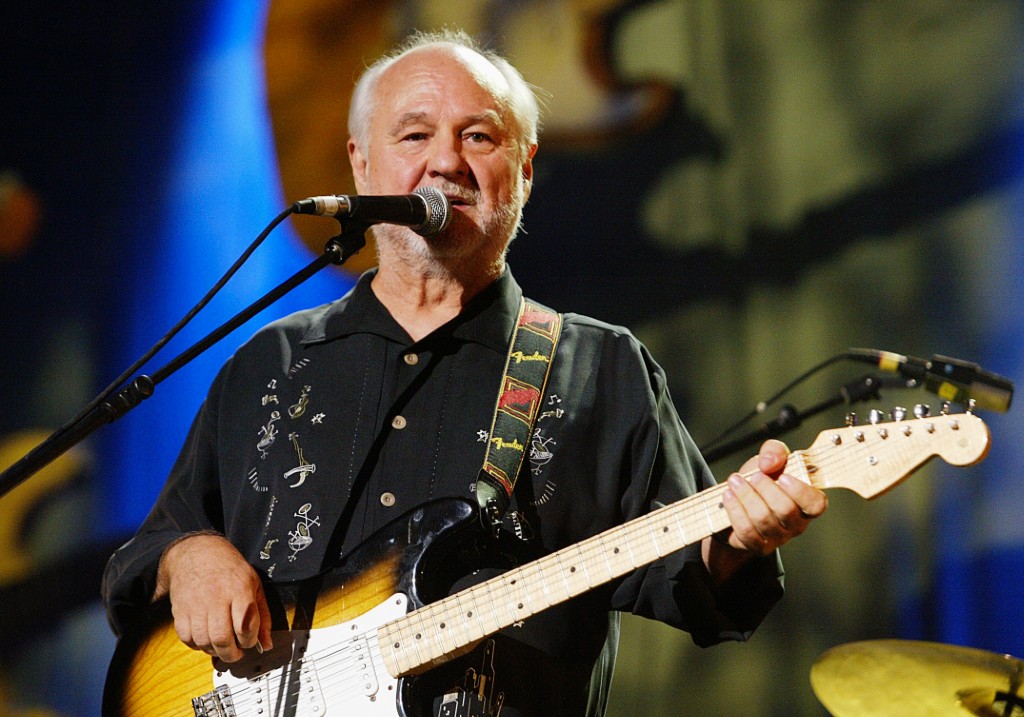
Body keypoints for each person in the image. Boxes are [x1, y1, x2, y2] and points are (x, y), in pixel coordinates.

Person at [102, 29, 827, 717]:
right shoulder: (271, 362)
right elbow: (147, 555)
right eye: (415, 135)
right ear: (361, 164)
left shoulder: (599, 368)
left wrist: (742, 538)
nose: (446, 161)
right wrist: (189, 555)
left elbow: (696, 586)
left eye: (478, 136)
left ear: (526, 170)